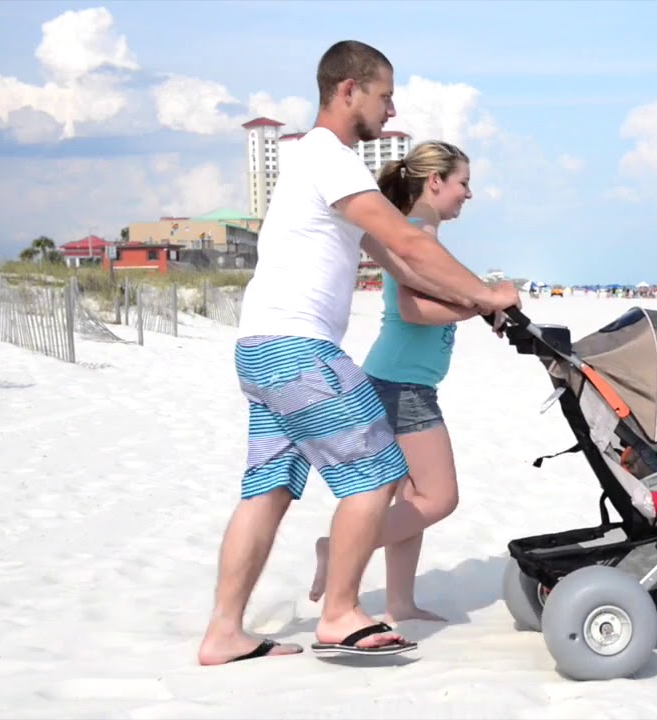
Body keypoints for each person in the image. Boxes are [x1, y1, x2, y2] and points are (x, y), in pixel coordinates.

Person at [196, 40, 519, 666]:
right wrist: (486, 292)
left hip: (260, 347)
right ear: (349, 90)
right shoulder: (328, 155)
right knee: (376, 472)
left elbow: (394, 257)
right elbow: (404, 238)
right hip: (297, 348)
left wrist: (478, 303)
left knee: (266, 490)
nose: (391, 110)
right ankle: (340, 612)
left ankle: (224, 633)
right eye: (385, 95)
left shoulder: (309, 164)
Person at [307, 141, 481, 623]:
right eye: (464, 183)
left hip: (395, 380)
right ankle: (335, 546)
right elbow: (411, 309)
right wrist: (479, 306)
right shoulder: (416, 233)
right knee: (439, 497)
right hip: (402, 387)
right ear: (435, 181)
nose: (469, 194)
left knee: (410, 498)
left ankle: (400, 602)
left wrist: (474, 304)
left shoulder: (421, 233)